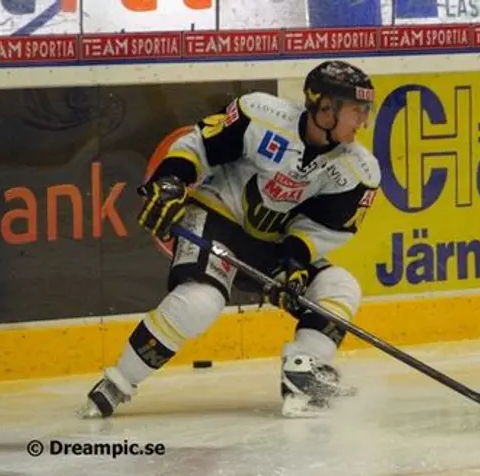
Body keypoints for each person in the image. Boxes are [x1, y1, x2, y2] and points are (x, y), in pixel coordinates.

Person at [79, 60, 381, 419]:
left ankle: (303, 371)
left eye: (365, 111)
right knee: (200, 301)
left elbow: (319, 229)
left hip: (270, 245)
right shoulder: (260, 114)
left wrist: (293, 264)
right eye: (355, 110)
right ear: (325, 108)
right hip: (216, 217)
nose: (362, 121)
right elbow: (199, 146)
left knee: (339, 286)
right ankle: (118, 382)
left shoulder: (358, 170)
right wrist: (171, 180)